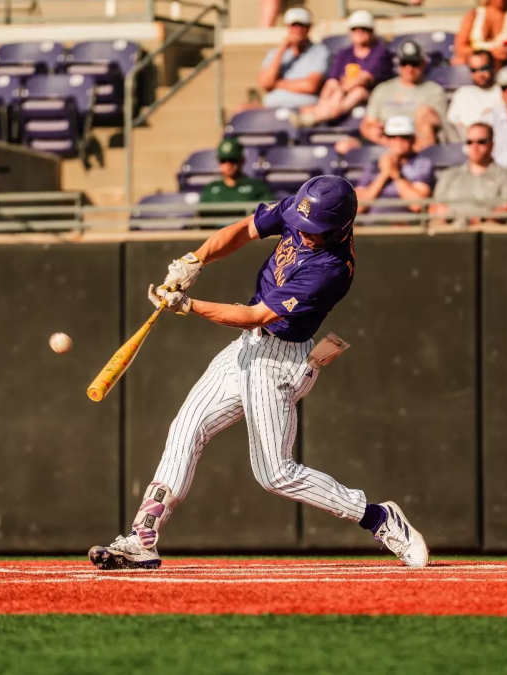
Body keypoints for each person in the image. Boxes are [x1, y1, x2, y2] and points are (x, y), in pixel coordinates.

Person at [88, 176, 430, 571]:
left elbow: (254, 315)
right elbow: (246, 229)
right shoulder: (304, 208)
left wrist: (188, 305)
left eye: (314, 230)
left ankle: (380, 518)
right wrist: (194, 260)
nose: (303, 233)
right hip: (247, 348)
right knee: (186, 429)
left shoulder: (330, 269)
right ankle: (142, 539)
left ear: (339, 227)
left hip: (279, 362)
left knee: (275, 474)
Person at [294, 10, 392, 127]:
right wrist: (326, 99)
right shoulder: (345, 53)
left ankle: (317, 115)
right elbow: (332, 81)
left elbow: (364, 78)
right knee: (331, 87)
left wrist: (340, 92)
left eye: (364, 29)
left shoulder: (379, 52)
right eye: (355, 29)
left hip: (372, 95)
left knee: (358, 91)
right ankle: (322, 111)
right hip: (342, 94)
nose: (359, 32)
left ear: (372, 31)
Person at [360, 40, 448, 151]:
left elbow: (438, 124)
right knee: (345, 146)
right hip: (386, 143)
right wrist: (375, 133)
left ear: (423, 64)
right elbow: (367, 124)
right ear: (398, 64)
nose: (409, 68)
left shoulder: (434, 90)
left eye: (414, 63)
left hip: (415, 144)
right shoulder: (382, 89)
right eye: (404, 63)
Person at [430, 121, 507, 223]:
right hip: (452, 227)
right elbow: (435, 206)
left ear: (491, 145)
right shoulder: (450, 175)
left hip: (488, 229)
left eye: (481, 142)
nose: (475, 147)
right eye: (470, 142)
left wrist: (481, 218)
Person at [355, 116, 435, 215]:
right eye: (393, 136)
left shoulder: (421, 164)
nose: (398, 141)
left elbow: (417, 205)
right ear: (386, 139)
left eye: (404, 136)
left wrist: (397, 175)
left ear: (413, 139)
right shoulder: (374, 165)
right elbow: (358, 207)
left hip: (407, 225)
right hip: (374, 224)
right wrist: (384, 175)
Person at [257, 7, 331, 109]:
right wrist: (282, 49)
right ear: (287, 27)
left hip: (303, 109)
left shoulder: (319, 52)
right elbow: (265, 83)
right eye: (294, 25)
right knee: (241, 111)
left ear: (309, 27)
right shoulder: (275, 53)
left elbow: (310, 86)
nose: (298, 30)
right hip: (272, 108)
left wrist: (276, 83)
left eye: (302, 26)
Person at [453, 0, 507, 66]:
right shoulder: (473, 14)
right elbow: (460, 47)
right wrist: (488, 54)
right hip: (476, 64)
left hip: (504, 64)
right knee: (459, 61)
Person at [199, 138, 275, 207]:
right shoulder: (210, 189)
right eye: (223, 160)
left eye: (233, 160)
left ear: (242, 160)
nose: (228, 164)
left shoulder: (257, 187)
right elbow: (200, 217)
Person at [446, 50, 501, 138]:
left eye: (484, 69)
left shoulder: (504, 93)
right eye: (474, 70)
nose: (479, 74)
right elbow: (452, 125)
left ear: (493, 67)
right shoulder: (462, 94)